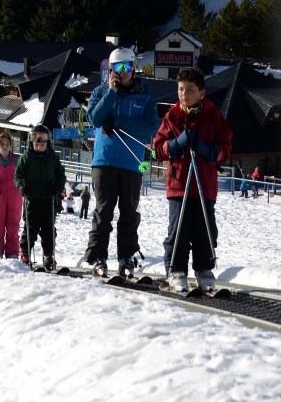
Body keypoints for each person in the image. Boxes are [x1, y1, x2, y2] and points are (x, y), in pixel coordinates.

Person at [152, 68, 232, 292]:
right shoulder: (172, 116)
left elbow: (225, 147)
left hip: (204, 184)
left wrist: (208, 150)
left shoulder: (213, 115)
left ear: (201, 93)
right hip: (180, 183)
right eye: (180, 89)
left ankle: (204, 269)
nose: (184, 94)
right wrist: (176, 144)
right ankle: (175, 269)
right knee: (179, 228)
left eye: (189, 90)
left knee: (205, 230)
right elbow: (158, 149)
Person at [83, 48, 158, 278]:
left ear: (133, 68)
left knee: (128, 213)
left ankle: (126, 256)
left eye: (126, 67)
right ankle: (98, 257)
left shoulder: (145, 94)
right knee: (103, 212)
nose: (122, 72)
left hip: (131, 163)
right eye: (117, 67)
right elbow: (94, 118)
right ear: (111, 69)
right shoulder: (101, 91)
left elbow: (150, 127)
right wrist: (111, 93)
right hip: (104, 161)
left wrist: (120, 122)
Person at [14, 125, 67, 270]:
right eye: (36, 143)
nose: (39, 146)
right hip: (32, 199)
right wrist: (21, 186)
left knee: (48, 229)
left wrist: (58, 187)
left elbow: (61, 175)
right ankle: (25, 252)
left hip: (49, 199)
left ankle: (49, 254)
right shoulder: (26, 158)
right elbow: (18, 175)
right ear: (31, 142)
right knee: (31, 227)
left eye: (42, 144)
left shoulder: (52, 158)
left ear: (47, 143)